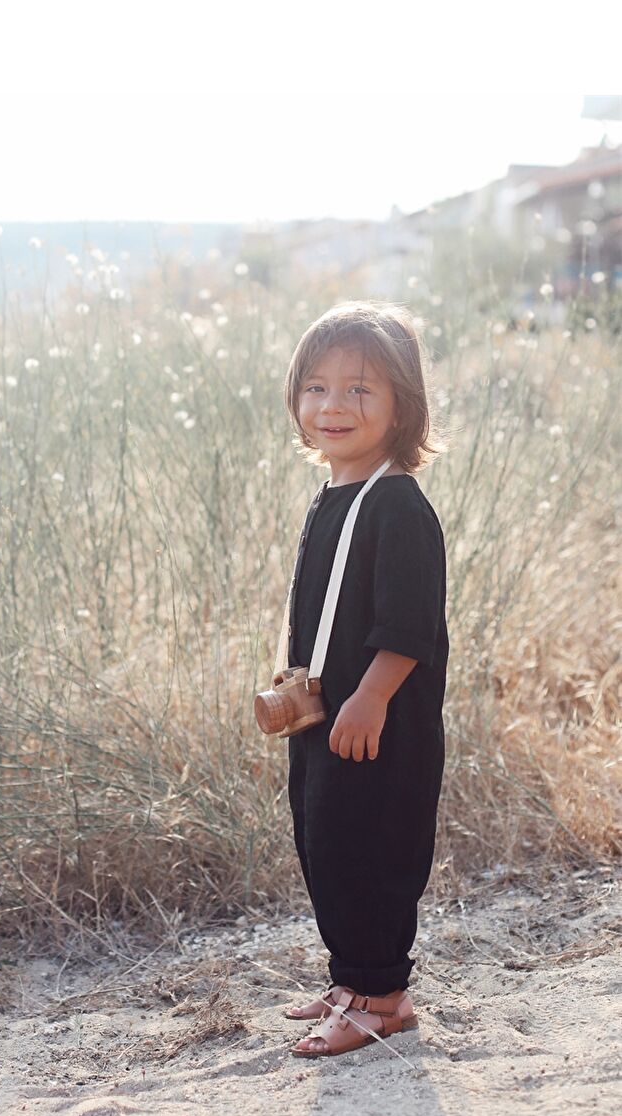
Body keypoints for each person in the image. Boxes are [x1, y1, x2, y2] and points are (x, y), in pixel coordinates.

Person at [277, 300, 449, 1058]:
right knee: (324, 841)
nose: (334, 405)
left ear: (401, 406)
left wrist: (372, 695)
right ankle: (353, 979)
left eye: (360, 389)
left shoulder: (398, 506)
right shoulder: (336, 495)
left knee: (371, 847)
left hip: (379, 723)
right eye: (317, 387)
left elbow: (409, 623)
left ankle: (382, 997)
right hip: (331, 715)